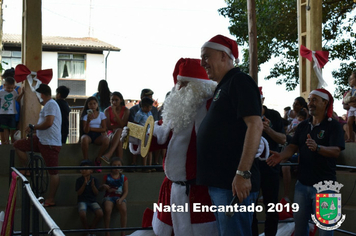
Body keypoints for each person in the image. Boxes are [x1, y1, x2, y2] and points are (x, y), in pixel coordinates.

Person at [197, 34, 263, 236]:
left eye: (207, 56)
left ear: (224, 56)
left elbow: (255, 125)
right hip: (223, 184)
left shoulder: (239, 81)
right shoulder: (224, 86)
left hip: (232, 186)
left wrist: (243, 174)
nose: (202, 63)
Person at [151, 58, 218, 236]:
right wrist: (135, 136)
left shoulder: (213, 109)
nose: (177, 88)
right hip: (171, 189)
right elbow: (158, 136)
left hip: (200, 191)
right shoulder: (178, 111)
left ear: (198, 86)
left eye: (183, 83)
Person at [267, 88, 345, 236]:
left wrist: (318, 148)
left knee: (325, 232)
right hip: (302, 186)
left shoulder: (333, 125)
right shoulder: (303, 126)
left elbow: (336, 151)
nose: (310, 103)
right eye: (309, 100)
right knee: (300, 229)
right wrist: (281, 156)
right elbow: (292, 147)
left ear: (325, 102)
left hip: (327, 187)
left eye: (314, 100)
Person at [14, 84, 62, 207]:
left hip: (50, 143)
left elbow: (49, 123)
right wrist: (34, 130)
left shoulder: (51, 104)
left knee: (53, 172)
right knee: (19, 145)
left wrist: (34, 127)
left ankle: (51, 198)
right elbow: (45, 124)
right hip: (42, 140)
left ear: (41, 94)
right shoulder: (48, 105)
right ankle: (27, 168)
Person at [252, 87, 286, 236]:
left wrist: (267, 129)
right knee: (249, 209)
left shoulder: (274, 115)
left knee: (271, 208)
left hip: (270, 167)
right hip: (251, 169)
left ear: (263, 100)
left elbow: (283, 139)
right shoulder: (246, 116)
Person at [129, 89, 160, 167]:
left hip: (150, 132)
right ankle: (137, 164)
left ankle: (153, 164)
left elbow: (155, 121)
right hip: (140, 133)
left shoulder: (152, 110)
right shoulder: (135, 110)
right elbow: (134, 124)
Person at [80, 96, 110, 172]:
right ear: (87, 105)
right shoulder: (85, 116)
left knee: (106, 140)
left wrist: (91, 128)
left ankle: (98, 159)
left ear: (97, 105)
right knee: (84, 139)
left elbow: (104, 128)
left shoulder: (101, 114)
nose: (92, 105)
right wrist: (88, 121)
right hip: (88, 135)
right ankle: (86, 160)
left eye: (94, 103)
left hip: (98, 135)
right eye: (90, 104)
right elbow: (85, 130)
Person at [100, 157, 128, 236]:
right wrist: (103, 186)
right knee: (108, 209)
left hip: (119, 197)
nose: (116, 167)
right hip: (108, 196)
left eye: (119, 165)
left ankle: (123, 232)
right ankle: (107, 232)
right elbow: (100, 188)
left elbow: (126, 191)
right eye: (114, 165)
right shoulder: (107, 177)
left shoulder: (123, 177)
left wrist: (121, 199)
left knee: (124, 209)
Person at [101, 92, 130, 164]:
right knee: (119, 138)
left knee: (120, 132)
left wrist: (115, 113)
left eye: (116, 100)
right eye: (112, 100)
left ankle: (109, 154)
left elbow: (123, 125)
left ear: (121, 100)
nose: (114, 102)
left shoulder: (126, 110)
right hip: (111, 133)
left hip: (123, 133)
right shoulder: (107, 111)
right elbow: (108, 126)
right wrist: (117, 128)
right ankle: (120, 164)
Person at [75, 160, 103, 234]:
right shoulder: (79, 180)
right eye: (82, 169)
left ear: (91, 171)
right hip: (82, 200)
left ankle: (92, 229)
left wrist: (93, 186)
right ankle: (86, 229)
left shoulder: (95, 180)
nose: (84, 171)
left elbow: (96, 193)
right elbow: (79, 193)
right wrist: (84, 184)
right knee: (82, 214)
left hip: (92, 200)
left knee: (100, 213)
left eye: (86, 169)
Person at [0, 68, 22, 144]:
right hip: (3, 114)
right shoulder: (1, 90)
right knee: (4, 132)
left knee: (14, 133)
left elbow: (18, 100)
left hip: (14, 115)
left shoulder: (17, 90)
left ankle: (12, 148)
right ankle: (6, 144)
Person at [343, 71, 356, 142]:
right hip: (351, 110)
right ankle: (350, 138)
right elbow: (344, 104)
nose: (350, 81)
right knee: (349, 123)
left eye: (352, 79)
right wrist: (350, 102)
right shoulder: (349, 92)